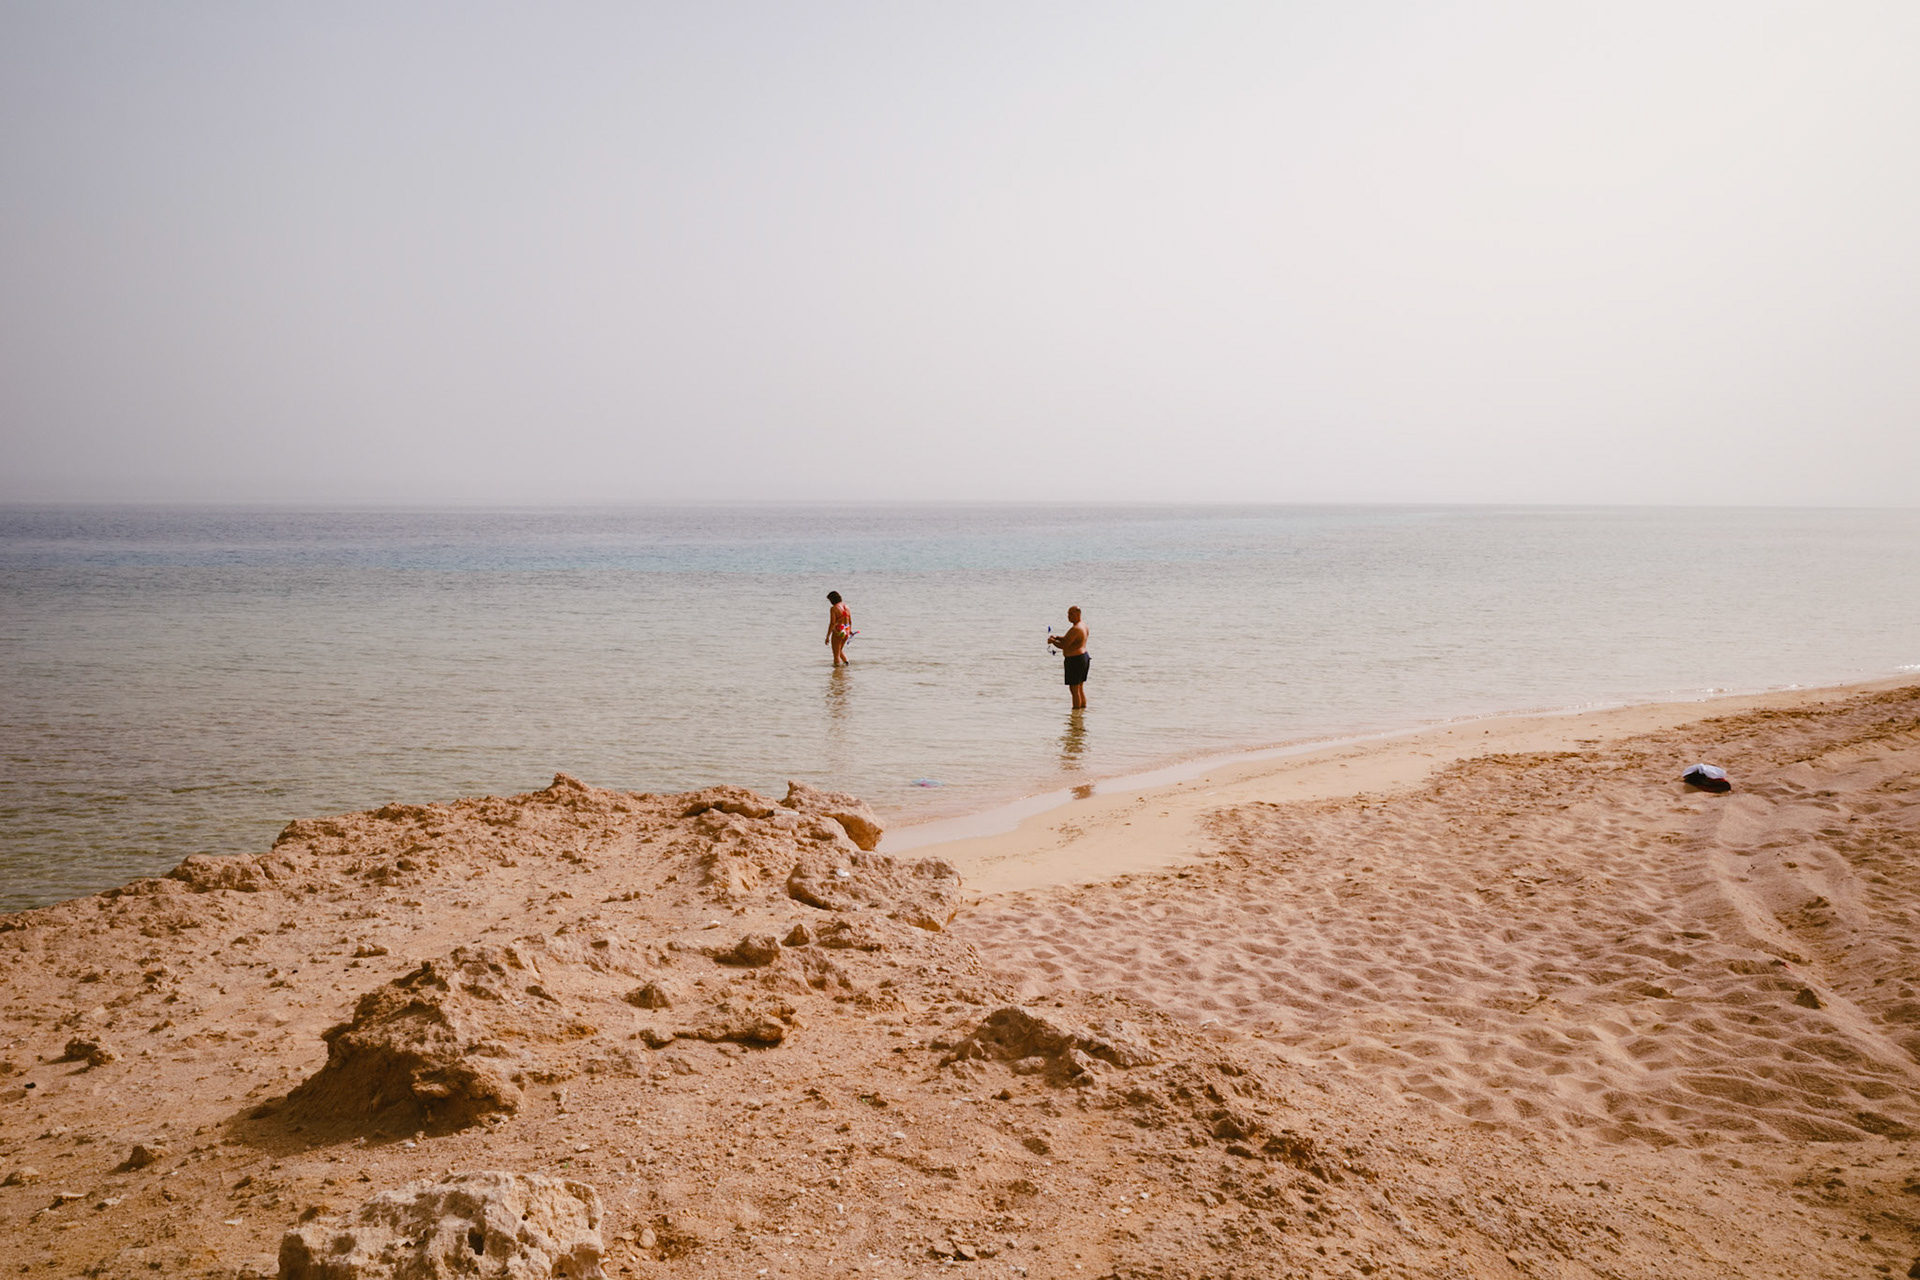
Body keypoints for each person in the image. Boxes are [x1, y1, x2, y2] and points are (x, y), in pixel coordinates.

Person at [1047, 604, 1090, 708]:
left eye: (1071, 614)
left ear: (1078, 614)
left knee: (1074, 690)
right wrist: (1057, 637)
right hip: (1083, 658)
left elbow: (1064, 645)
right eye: (1068, 614)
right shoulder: (1083, 625)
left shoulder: (1076, 628)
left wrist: (1053, 641)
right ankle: (1081, 713)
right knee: (1079, 688)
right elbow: (1069, 639)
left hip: (1075, 660)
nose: (1068, 616)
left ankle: (1075, 716)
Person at [825, 591, 854, 665]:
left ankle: (836, 670)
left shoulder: (834, 608)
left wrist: (828, 636)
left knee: (836, 654)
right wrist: (850, 630)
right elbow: (850, 621)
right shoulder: (847, 606)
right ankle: (847, 663)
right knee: (839, 650)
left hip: (839, 630)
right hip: (846, 629)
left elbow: (832, 623)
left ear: (832, 599)